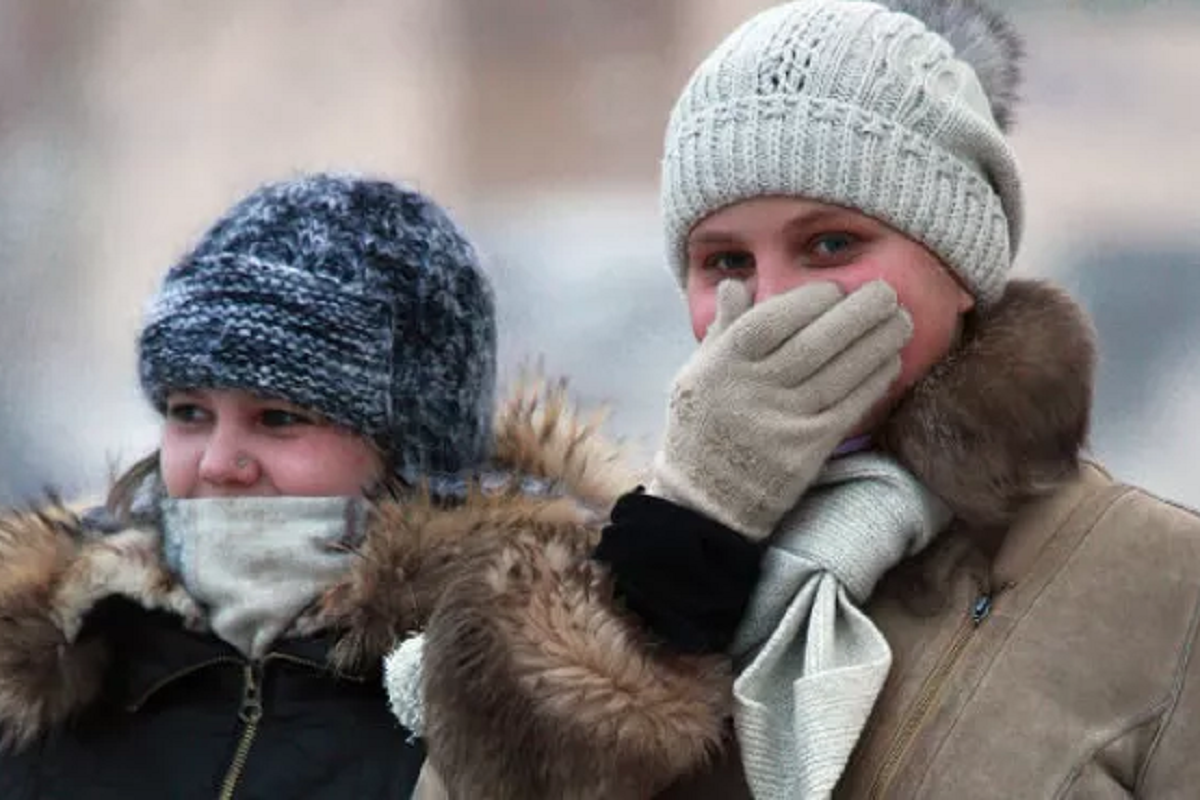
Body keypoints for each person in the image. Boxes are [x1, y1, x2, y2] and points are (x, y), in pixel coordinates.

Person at [391, 1, 1200, 798]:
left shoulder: (1160, 578)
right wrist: (679, 547)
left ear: (962, 268)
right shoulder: (631, 568)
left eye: (831, 244)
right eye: (726, 262)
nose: (773, 302)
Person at [0, 173, 637, 799]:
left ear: (414, 455)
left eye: (278, 418)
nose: (220, 463)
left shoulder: (528, 705)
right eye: (189, 413)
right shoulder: (51, 670)